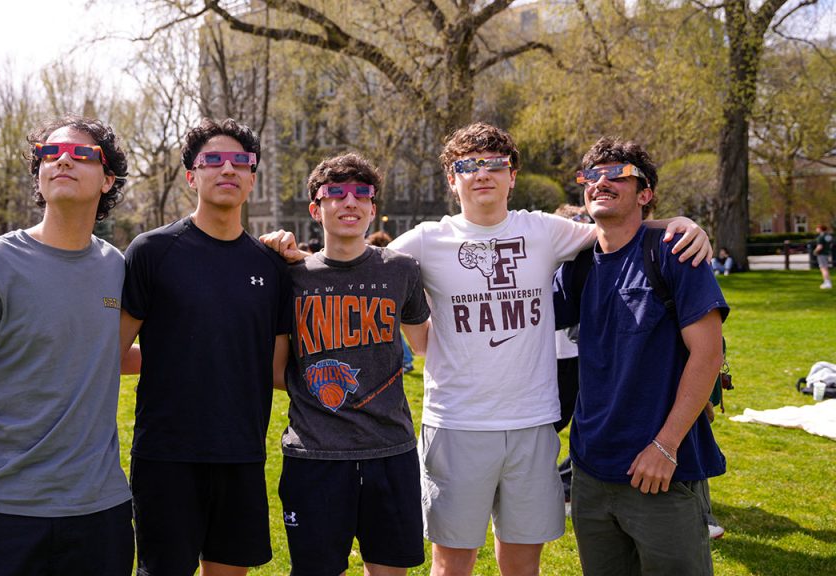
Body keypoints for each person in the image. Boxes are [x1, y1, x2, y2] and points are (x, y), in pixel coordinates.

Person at [261, 123, 712, 576]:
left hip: (534, 424)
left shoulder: (546, 231)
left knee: (522, 562)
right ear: (451, 180)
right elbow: (352, 263)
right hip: (456, 423)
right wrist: (293, 252)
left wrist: (679, 224)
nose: (482, 173)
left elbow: (615, 226)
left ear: (512, 176)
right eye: (467, 165)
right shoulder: (423, 241)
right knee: (452, 562)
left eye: (495, 163)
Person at [0, 115, 135, 576]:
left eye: (82, 153)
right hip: (1, 510)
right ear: (38, 172)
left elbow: (103, 353)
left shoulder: (117, 268)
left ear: (107, 179)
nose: (63, 158)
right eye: (50, 152)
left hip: (101, 511)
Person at [119, 118, 293, 576]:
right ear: (192, 175)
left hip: (241, 450)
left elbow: (276, 370)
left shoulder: (270, 265)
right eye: (212, 160)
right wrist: (173, 357)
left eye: (241, 162)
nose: (228, 169)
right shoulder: (152, 251)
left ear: (253, 178)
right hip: (166, 455)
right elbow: (112, 354)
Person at [559, 137, 727, 575]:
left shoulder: (674, 253)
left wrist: (665, 447)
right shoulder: (576, 265)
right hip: (590, 473)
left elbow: (708, 356)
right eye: (592, 175)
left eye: (618, 174)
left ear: (645, 193)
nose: (602, 182)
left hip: (659, 471)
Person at [278, 153, 430, 575]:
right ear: (316, 208)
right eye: (336, 193)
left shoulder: (401, 270)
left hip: (391, 449)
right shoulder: (290, 277)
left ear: (373, 207)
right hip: (315, 454)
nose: (350, 202)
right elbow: (275, 370)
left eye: (362, 193)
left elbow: (426, 347)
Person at [366, 230, 417, 372]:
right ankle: (405, 360)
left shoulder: (383, 260)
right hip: (388, 299)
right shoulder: (390, 261)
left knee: (393, 331)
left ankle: (406, 360)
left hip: (384, 300)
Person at [814, 225, 833, 289]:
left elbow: (820, 246)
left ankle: (827, 283)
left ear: (820, 229)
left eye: (817, 228)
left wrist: (815, 251)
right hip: (827, 253)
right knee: (826, 268)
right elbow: (830, 244)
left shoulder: (820, 237)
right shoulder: (828, 236)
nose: (816, 229)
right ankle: (827, 282)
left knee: (823, 268)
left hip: (821, 254)